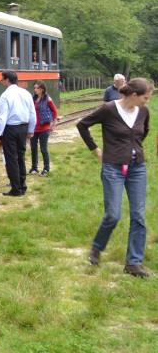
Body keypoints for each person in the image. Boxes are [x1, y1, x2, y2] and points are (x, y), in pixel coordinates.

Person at [77, 77, 153, 278]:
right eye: (145, 97)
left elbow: (143, 132)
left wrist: (132, 149)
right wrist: (96, 150)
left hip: (137, 168)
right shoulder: (109, 109)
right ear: (134, 95)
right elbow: (82, 125)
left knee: (139, 216)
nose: (148, 101)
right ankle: (97, 247)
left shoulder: (143, 112)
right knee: (113, 214)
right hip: (113, 167)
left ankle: (133, 263)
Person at [0, 70, 36, 196]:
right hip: (23, 127)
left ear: (7, 80)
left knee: (11, 159)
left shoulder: (4, 96)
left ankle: (16, 189)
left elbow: (2, 118)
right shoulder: (26, 93)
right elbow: (32, 113)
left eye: (2, 79)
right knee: (21, 157)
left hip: (10, 129)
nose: (1, 81)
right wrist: (31, 130)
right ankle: (22, 186)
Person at [29, 81, 58, 176]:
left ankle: (46, 169)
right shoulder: (33, 99)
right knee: (33, 148)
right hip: (33, 129)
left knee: (43, 149)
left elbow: (54, 111)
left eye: (37, 88)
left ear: (42, 89)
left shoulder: (47, 99)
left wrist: (53, 123)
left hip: (44, 129)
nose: (35, 90)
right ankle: (34, 168)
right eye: (34, 88)